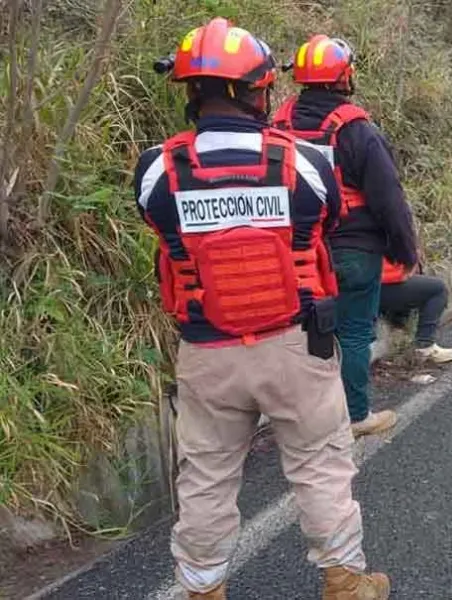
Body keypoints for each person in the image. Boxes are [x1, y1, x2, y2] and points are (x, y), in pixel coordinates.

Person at [135, 18, 390, 598]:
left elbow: (158, 224)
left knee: (205, 476)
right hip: (295, 345)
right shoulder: (305, 162)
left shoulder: (156, 169)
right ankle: (345, 583)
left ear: (190, 92)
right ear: (260, 89)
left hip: (207, 353)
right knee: (322, 465)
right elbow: (328, 221)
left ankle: (203, 589)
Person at [272, 34, 419, 438]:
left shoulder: (278, 125)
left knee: (304, 332)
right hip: (353, 248)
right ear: (344, 76)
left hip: (294, 247)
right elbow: (388, 198)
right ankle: (355, 416)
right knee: (354, 332)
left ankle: (304, 416)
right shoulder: (356, 130)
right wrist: (405, 249)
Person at [379, 255, 452, 363]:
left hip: (356, 287)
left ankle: (400, 326)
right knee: (438, 289)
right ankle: (424, 345)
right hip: (378, 284)